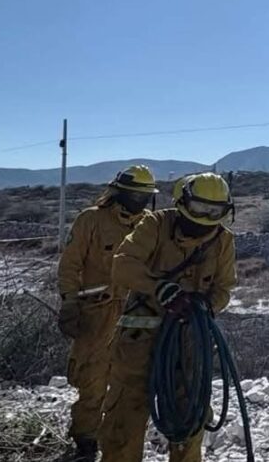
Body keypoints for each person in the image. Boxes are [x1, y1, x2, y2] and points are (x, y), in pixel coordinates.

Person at [98, 172, 237, 462]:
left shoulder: (223, 241)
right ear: (183, 203)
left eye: (214, 212)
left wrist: (206, 305)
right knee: (124, 418)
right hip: (139, 342)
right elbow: (123, 265)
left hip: (190, 344)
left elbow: (224, 288)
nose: (205, 219)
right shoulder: (155, 224)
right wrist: (159, 289)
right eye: (200, 209)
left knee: (189, 419)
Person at [57, 164, 159, 462]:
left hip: (139, 317)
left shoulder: (151, 226)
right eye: (134, 195)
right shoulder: (91, 220)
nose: (138, 201)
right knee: (93, 379)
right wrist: (69, 302)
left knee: (130, 384)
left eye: (144, 196)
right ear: (119, 192)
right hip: (96, 313)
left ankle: (118, 445)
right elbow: (70, 264)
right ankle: (86, 439)